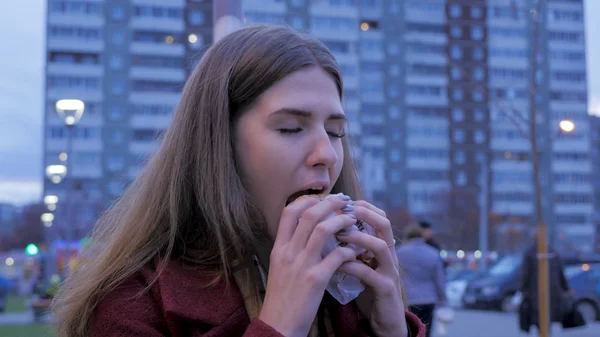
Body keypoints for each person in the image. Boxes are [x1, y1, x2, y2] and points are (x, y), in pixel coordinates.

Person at [51, 25, 425, 337]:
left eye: (335, 131)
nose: (326, 154)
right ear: (219, 143)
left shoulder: (349, 293)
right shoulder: (133, 302)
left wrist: (391, 330)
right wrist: (279, 324)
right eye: (291, 128)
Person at [396, 225, 447, 337]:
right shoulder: (433, 253)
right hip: (429, 298)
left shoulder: (399, 252)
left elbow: (395, 277)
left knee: (409, 331)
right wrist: (443, 299)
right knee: (426, 331)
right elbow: (439, 278)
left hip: (408, 299)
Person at [518, 231, 570, 335]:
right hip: (552, 294)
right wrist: (565, 289)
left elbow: (525, 274)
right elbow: (561, 274)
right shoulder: (553, 252)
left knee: (540, 320)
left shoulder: (530, 253)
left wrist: (522, 290)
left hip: (536, 294)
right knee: (546, 321)